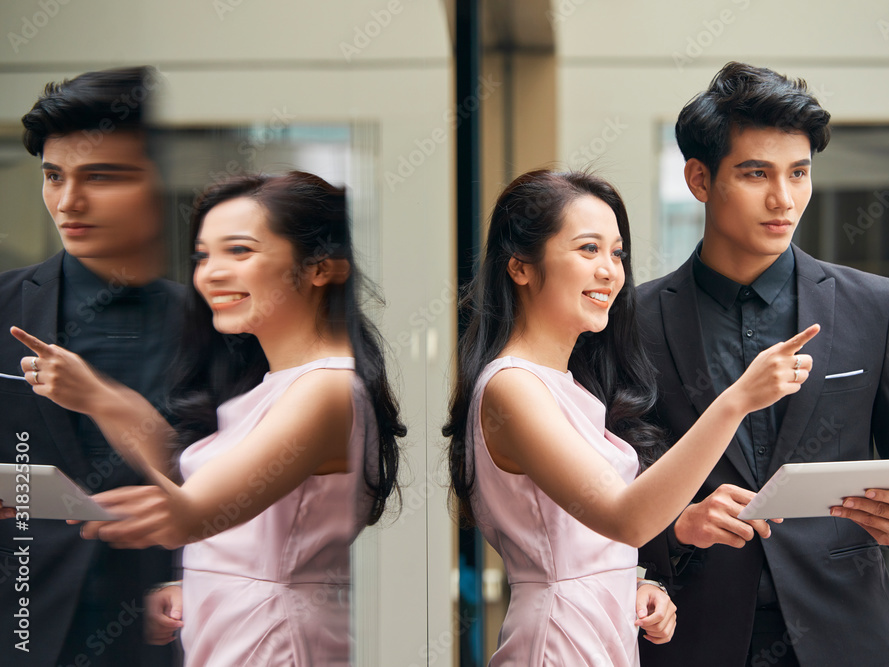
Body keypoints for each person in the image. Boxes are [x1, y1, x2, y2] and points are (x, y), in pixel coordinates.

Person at [11, 171, 405, 665]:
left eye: (239, 251)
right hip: (243, 630)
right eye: (203, 256)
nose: (210, 274)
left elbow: (191, 513)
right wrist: (197, 585)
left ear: (320, 268)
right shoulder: (278, 385)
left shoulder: (326, 387)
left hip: (276, 642)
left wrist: (47, 499)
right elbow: (195, 491)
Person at [635, 62, 889, 667]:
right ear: (699, 179)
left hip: (844, 634)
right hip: (689, 635)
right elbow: (603, 491)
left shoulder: (875, 304)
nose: (784, 199)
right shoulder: (633, 320)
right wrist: (678, 526)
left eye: (799, 173)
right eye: (757, 174)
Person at [445, 169, 820, 666]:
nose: (610, 271)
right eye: (587, 250)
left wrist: (635, 584)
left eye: (616, 253)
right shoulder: (512, 386)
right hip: (556, 643)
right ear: (520, 267)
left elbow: (594, 535)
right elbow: (627, 518)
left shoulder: (568, 387)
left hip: (600, 634)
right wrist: (736, 401)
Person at [0, 66, 179, 667]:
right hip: (23, 623)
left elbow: (235, 485)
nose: (68, 202)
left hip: (163, 628)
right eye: (53, 176)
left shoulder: (212, 326)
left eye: (98, 178)